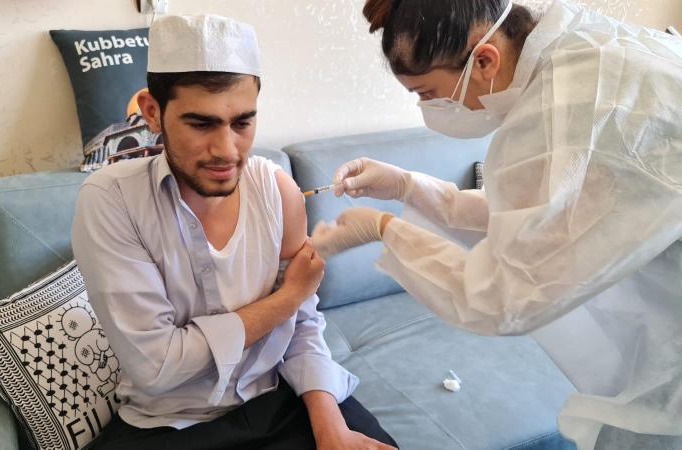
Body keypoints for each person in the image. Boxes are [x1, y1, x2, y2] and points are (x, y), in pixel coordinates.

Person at [311, 1, 682, 449]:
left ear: (484, 60)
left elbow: (502, 296)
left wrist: (383, 228)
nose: (427, 108)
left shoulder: (569, 105)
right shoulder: (586, 56)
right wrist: (408, 186)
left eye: (427, 93)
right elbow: (544, 217)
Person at [71, 14, 397, 450]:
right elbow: (157, 366)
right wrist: (287, 297)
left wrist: (330, 429)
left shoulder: (278, 190)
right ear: (153, 112)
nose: (226, 151)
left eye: (242, 123)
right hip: (168, 423)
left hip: (281, 397)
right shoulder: (112, 200)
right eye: (201, 124)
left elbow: (302, 327)